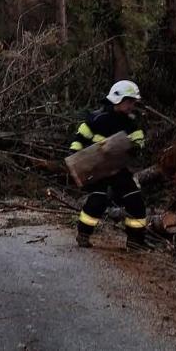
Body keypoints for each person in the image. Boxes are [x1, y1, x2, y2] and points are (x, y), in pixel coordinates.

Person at [70, 80, 148, 250]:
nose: (131, 106)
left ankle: (136, 241)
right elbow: (78, 140)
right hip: (97, 170)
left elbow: (139, 140)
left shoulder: (131, 122)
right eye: (129, 102)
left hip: (119, 168)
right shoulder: (96, 119)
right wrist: (75, 156)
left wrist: (136, 147)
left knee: (135, 200)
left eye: (133, 103)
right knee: (98, 200)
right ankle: (83, 234)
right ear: (117, 99)